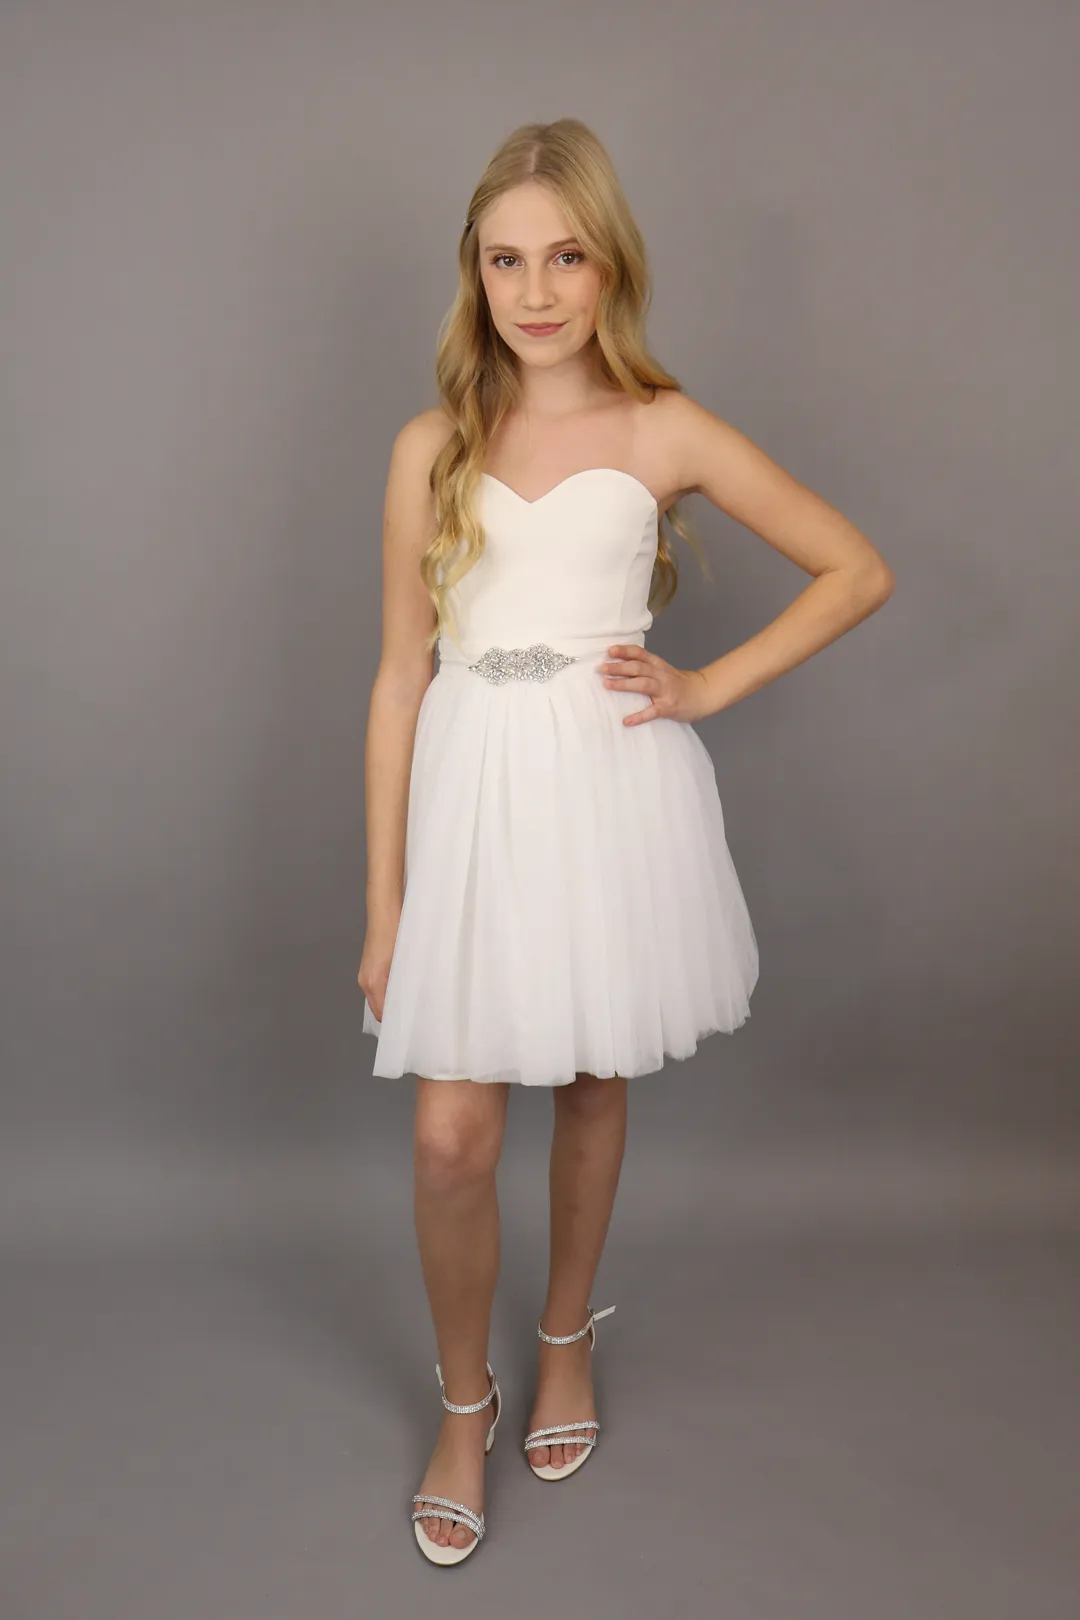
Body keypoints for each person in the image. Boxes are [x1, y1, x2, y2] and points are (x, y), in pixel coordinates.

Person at [357, 118, 894, 1566]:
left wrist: (707, 686)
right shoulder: (432, 447)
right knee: (452, 1137)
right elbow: (400, 681)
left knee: (593, 1077)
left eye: (566, 257)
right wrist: (385, 906)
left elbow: (855, 568)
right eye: (505, 261)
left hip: (605, 792)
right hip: (473, 804)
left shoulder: (664, 428)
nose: (535, 291)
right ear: (473, 274)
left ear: (611, 267)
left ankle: (564, 1336)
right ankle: (463, 1405)